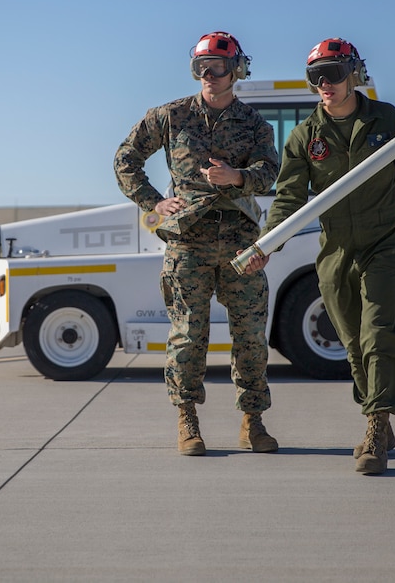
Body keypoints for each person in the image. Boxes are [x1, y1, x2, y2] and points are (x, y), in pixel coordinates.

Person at [244, 37, 395, 474]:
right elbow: (289, 199)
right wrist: (266, 245)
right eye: (316, 77)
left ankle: (374, 427)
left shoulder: (384, 119)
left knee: (380, 332)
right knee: (351, 341)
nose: (325, 84)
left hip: (383, 242)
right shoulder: (304, 136)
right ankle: (377, 415)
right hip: (336, 249)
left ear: (354, 74)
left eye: (333, 74)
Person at [114, 31, 280, 456]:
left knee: (250, 336)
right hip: (188, 241)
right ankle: (187, 420)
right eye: (201, 67)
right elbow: (126, 158)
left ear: (237, 70)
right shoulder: (171, 116)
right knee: (189, 334)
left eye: (218, 67)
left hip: (241, 242)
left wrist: (238, 177)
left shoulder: (254, 124)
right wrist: (154, 202)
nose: (208, 75)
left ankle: (252, 422)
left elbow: (270, 171)